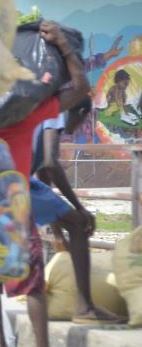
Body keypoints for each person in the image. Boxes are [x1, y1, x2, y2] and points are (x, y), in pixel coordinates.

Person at [0, 21, 92, 347]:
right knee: (32, 282)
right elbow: (81, 88)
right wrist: (65, 48)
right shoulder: (27, 112)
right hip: (13, 200)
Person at [32, 101, 126, 325]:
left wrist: (56, 226)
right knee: (79, 224)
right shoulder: (56, 114)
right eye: (85, 119)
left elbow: (43, 174)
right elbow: (50, 162)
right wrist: (79, 207)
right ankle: (85, 307)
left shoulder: (40, 111)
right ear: (82, 112)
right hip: (16, 181)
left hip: (16, 180)